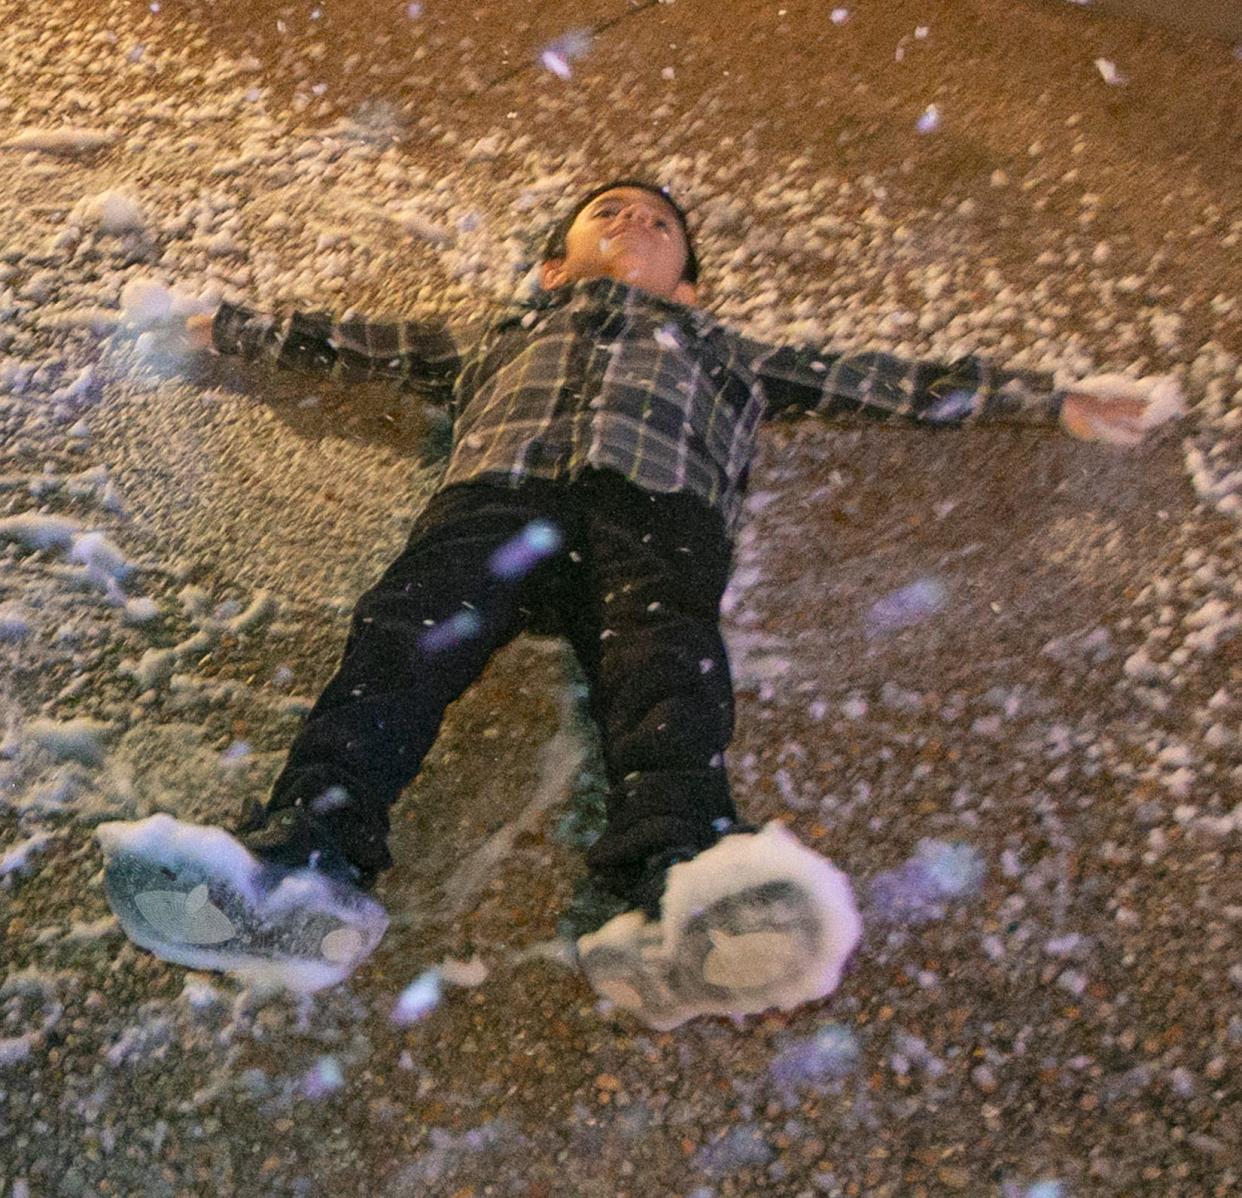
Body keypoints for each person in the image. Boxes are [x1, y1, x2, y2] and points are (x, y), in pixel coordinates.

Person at [163, 177, 1177, 1027]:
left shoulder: (729, 351)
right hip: (497, 501)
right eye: (610, 213)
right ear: (554, 265)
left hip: (656, 506)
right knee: (400, 644)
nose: (636, 223)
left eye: (658, 224)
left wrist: (1049, 398)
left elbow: (886, 380)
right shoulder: (495, 332)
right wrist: (237, 327)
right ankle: (301, 859)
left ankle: (674, 885)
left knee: (665, 670)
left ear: (689, 284)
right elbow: (357, 338)